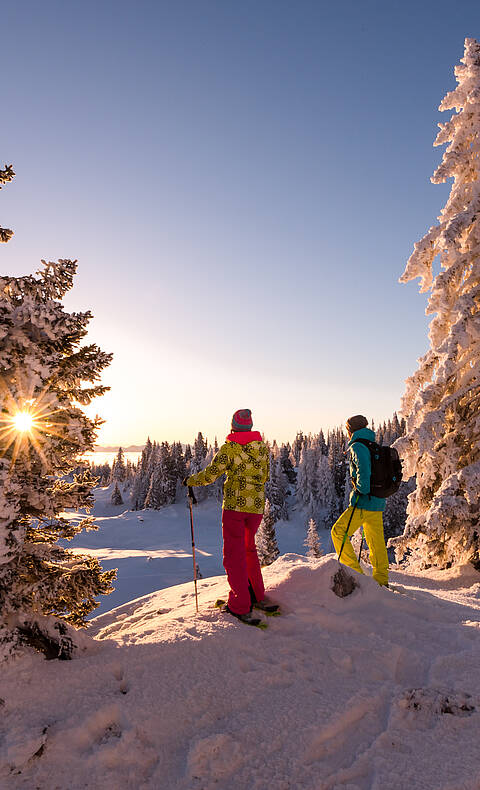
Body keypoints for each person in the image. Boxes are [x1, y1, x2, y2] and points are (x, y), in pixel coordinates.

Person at [185, 409, 274, 624]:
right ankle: (257, 595)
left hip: (235, 507)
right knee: (248, 550)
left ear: (233, 425)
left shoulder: (230, 448)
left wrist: (191, 481)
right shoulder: (261, 447)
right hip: (256, 508)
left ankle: (240, 605)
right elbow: (265, 475)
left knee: (234, 555)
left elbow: (211, 474)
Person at [331, 415, 389, 586]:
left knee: (338, 532)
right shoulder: (373, 445)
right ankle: (381, 581)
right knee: (376, 543)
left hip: (363, 502)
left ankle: (355, 575)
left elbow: (364, 470)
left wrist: (361, 490)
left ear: (350, 429)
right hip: (378, 502)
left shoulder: (357, 446)